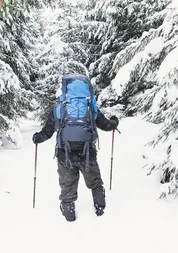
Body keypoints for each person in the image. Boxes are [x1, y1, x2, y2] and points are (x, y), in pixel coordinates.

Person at [32, 74, 119, 222]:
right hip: (87, 152)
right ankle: (100, 209)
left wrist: (38, 137)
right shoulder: (89, 105)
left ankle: (69, 216)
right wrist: (114, 123)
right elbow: (104, 124)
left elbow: (48, 130)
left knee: (67, 184)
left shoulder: (60, 106)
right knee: (95, 181)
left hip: (64, 153)